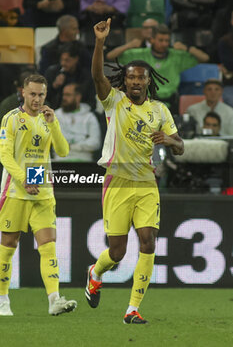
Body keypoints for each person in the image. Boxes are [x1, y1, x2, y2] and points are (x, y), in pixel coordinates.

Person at [85, 19, 184, 324]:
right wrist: (100, 42)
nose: (137, 82)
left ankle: (132, 309)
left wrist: (168, 139)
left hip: (146, 183)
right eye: (131, 78)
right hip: (117, 182)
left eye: (141, 77)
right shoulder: (113, 102)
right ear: (125, 82)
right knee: (116, 252)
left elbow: (180, 146)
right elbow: (97, 75)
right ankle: (95, 272)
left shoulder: (159, 110)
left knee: (149, 241)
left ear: (147, 80)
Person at [0, 74, 77, 316]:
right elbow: (5, 157)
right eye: (32, 94)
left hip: (43, 192)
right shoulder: (11, 119)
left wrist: (54, 123)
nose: (37, 99)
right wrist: (23, 179)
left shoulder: (48, 119)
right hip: (15, 191)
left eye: (41, 94)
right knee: (8, 246)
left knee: (48, 246)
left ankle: (54, 300)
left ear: (46, 94)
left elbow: (63, 151)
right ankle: (2, 299)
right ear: (23, 92)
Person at [106, 23, 209, 115]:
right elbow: (110, 56)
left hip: (170, 104)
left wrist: (187, 48)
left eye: (167, 41)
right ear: (152, 40)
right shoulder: (140, 54)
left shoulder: (176, 55)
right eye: (161, 40)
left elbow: (205, 58)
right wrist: (130, 45)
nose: (164, 44)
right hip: (146, 103)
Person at [54, 83, 101, 162]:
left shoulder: (89, 117)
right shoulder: (56, 115)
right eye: (63, 95)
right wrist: (83, 139)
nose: (64, 98)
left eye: (68, 95)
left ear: (78, 97)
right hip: (60, 160)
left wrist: (72, 147)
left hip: (84, 161)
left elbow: (95, 142)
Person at [45, 41, 95, 110]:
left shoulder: (85, 76)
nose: (63, 63)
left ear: (76, 59)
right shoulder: (52, 72)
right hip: (56, 112)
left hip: (80, 113)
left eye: (67, 60)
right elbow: (45, 98)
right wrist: (54, 86)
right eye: (61, 59)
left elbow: (91, 101)